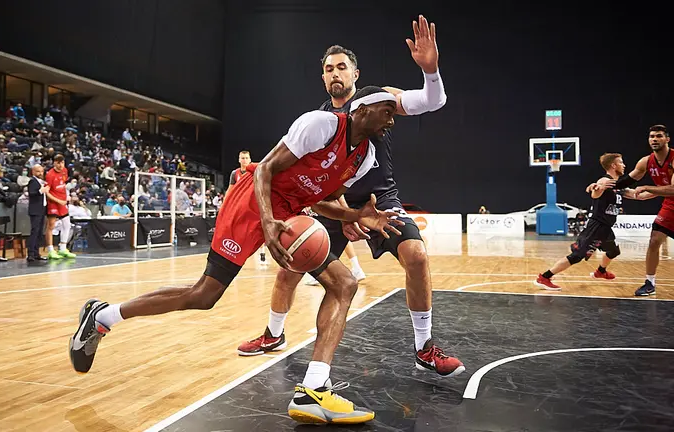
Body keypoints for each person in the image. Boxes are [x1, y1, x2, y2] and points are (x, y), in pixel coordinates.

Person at [69, 86, 406, 424]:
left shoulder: (363, 159)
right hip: (252, 201)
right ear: (363, 108)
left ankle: (313, 390)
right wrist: (267, 219)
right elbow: (264, 170)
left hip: (289, 211)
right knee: (204, 295)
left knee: (344, 284)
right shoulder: (321, 125)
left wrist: (355, 215)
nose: (392, 120)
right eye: (387, 111)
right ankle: (103, 317)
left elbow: (322, 200)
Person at [236, 17, 464, 379]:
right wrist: (347, 216)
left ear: (356, 73)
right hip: (334, 203)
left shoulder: (376, 100)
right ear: (323, 78)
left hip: (382, 199)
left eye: (341, 67)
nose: (334, 73)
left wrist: (430, 71)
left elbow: (430, 101)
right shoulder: (320, 120)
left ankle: (424, 347)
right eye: (328, 69)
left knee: (417, 256)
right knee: (287, 271)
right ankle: (273, 335)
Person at [535, 153, 654, 290]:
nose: (624, 165)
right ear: (613, 165)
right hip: (596, 226)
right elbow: (595, 193)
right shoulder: (605, 180)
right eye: (621, 162)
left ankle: (600, 272)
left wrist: (661, 191)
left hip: (606, 228)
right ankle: (544, 277)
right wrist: (598, 188)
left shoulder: (618, 185)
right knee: (577, 256)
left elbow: (639, 196)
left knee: (613, 251)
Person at [588, 125, 673, 296]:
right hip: (670, 205)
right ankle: (650, 282)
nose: (654, 139)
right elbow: (624, 182)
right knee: (654, 240)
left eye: (659, 136)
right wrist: (600, 185)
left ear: (667, 139)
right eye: (651, 136)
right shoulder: (645, 161)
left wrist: (648, 188)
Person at [44, 155, 76, 260]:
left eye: (62, 163)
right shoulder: (50, 175)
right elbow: (47, 192)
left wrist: (66, 196)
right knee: (51, 226)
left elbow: (63, 185)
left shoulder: (64, 171)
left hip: (62, 202)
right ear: (54, 163)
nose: (60, 165)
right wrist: (59, 200)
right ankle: (50, 250)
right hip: (53, 202)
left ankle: (62, 248)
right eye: (58, 163)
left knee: (67, 224)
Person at [27, 164, 49, 262]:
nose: (40, 173)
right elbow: (31, 193)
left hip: (41, 209)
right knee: (35, 232)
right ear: (33, 172)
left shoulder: (42, 182)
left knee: (39, 233)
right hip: (35, 210)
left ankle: (36, 252)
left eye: (41, 171)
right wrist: (41, 191)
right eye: (38, 171)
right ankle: (31, 253)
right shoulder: (32, 181)